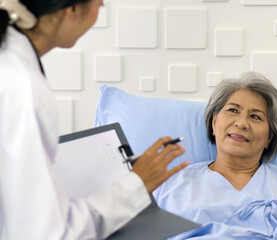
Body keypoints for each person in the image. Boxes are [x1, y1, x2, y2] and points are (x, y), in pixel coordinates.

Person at [0, 0, 189, 239]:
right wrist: (137, 184)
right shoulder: (23, 90)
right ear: (72, 10)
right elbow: (50, 233)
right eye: (99, 4)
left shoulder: (12, 66)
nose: (100, 8)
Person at [153, 71, 277, 239]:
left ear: (269, 137)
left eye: (255, 116)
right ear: (214, 122)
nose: (241, 123)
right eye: (232, 110)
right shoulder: (172, 186)